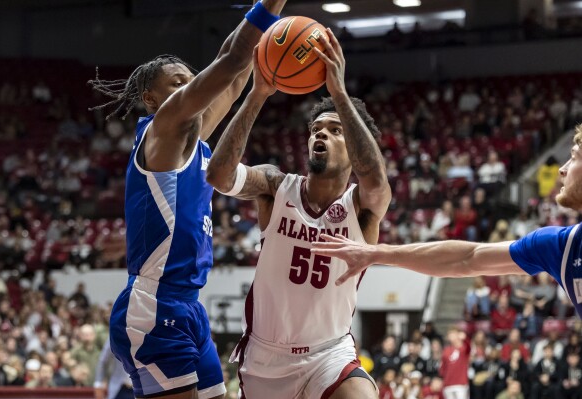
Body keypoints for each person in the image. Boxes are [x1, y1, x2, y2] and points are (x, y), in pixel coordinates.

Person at [88, 1, 287, 398]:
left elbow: (232, 78)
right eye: (178, 83)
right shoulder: (163, 129)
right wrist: (271, 5)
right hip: (153, 305)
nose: (190, 87)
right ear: (151, 97)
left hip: (189, 307)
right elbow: (230, 61)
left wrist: (263, 17)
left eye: (192, 79)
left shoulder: (195, 141)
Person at [206, 30, 390, 399]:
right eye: (316, 129)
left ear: (353, 147)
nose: (320, 134)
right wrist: (258, 94)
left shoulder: (363, 206)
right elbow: (218, 175)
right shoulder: (276, 187)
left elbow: (374, 176)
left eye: (335, 131)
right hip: (265, 357)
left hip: (330, 352)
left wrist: (339, 93)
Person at [311, 127, 582, 318]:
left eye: (574, 156)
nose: (563, 168)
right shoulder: (560, 248)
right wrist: (377, 253)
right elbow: (467, 258)